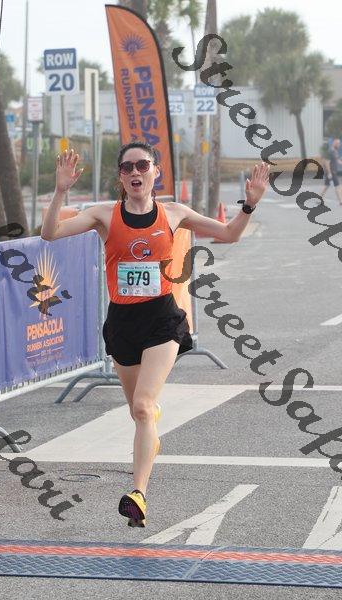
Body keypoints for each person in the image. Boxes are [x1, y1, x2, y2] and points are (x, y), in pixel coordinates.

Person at [41, 141, 270, 527]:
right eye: (127, 167)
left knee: (145, 406)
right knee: (138, 411)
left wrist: (249, 204)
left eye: (142, 165)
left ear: (155, 172)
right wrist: (60, 190)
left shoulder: (174, 213)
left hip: (162, 319)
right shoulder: (104, 215)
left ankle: (139, 494)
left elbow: (229, 234)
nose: (135, 172)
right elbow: (50, 233)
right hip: (122, 324)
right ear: (120, 176)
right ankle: (151, 437)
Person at [321, 138, 342, 204]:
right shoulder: (330, 151)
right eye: (338, 143)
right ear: (334, 143)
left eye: (339, 143)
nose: (339, 145)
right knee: (338, 186)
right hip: (332, 172)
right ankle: (341, 201)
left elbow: (337, 160)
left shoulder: (335, 151)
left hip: (333, 171)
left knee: (326, 186)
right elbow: (326, 162)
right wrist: (329, 173)